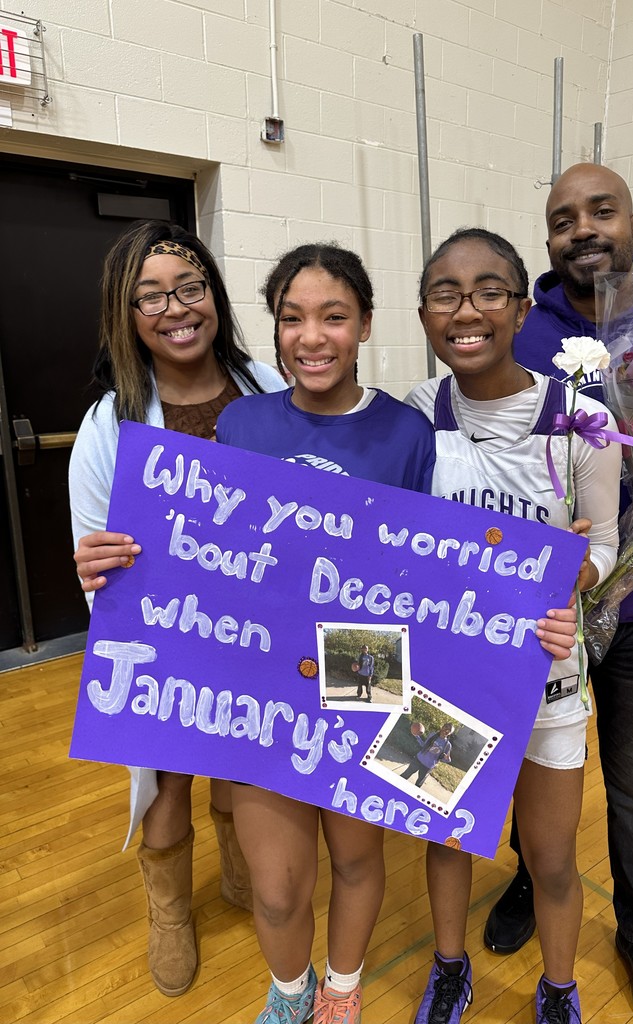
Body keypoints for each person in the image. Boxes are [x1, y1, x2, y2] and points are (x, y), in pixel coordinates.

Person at [484, 163, 633, 1024]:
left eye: (601, 212)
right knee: (531, 760)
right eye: (563, 219)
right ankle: (531, 874)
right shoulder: (520, 330)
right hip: (544, 608)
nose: (583, 229)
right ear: (547, 239)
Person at [216, 241, 438, 1024]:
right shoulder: (239, 423)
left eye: (333, 317)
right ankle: (290, 992)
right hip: (264, 668)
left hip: (364, 660)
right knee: (275, 886)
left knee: (355, 855)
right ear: (275, 331)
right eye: (292, 318)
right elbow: (211, 552)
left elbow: (429, 569)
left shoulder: (408, 434)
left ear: (365, 325)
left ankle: (342, 989)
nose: (312, 337)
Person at [405, 227, 622, 1024]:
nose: (467, 311)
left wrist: (580, 580)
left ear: (522, 308)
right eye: (446, 294)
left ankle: (559, 986)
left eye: (489, 291)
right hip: (445, 684)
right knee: (451, 840)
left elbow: (604, 541)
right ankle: (451, 968)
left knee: (553, 858)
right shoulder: (411, 418)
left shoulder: (582, 424)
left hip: (549, 683)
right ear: (424, 312)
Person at [68, 220, 286, 997]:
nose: (175, 308)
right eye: (150, 295)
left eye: (189, 287)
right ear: (126, 316)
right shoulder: (109, 425)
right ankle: (168, 911)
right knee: (166, 783)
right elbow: (93, 560)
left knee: (241, 768)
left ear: (214, 298)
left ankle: (238, 865)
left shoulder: (268, 392)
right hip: (164, 643)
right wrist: (90, 562)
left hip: (259, 633)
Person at [402, 722, 454, 788]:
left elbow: (443, 759)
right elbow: (424, 745)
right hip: (418, 760)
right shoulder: (432, 735)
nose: (447, 730)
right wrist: (417, 736)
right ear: (442, 727)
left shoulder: (448, 745)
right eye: (446, 727)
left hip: (427, 767)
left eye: (449, 730)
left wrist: (447, 759)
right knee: (405, 775)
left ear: (450, 733)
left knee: (418, 785)